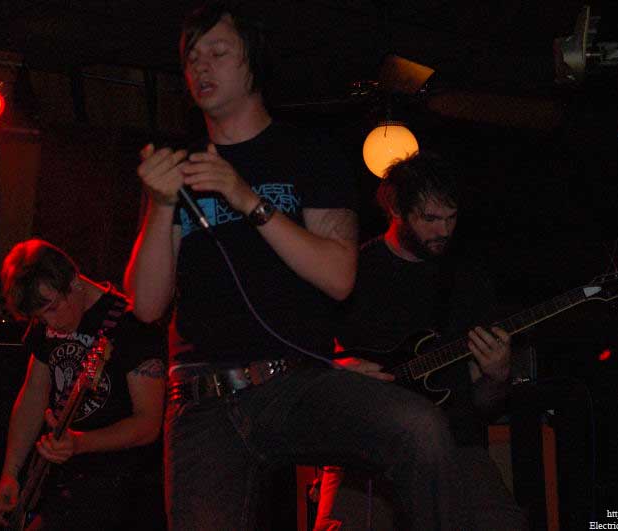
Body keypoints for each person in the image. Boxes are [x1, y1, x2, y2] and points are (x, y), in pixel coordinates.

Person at [124, 1, 481, 529]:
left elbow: (339, 278)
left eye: (217, 52)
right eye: (192, 58)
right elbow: (146, 304)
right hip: (204, 397)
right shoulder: (176, 169)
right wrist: (160, 204)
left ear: (253, 61)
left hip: (294, 384)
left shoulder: (310, 155)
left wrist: (247, 199)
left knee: (418, 427)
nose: (201, 66)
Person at [310, 151, 526, 530]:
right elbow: (309, 360)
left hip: (454, 446)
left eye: (451, 218)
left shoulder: (469, 282)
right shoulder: (352, 272)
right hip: (366, 446)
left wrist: (497, 375)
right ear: (397, 210)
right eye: (430, 218)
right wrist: (339, 369)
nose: (443, 230)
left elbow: (484, 404)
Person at [0, 239, 166, 531]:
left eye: (52, 308)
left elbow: (148, 424)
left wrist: (80, 443)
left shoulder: (131, 324)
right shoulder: (46, 324)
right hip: (60, 484)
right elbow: (33, 396)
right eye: (39, 316)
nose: (49, 323)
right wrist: (10, 473)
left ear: (74, 281)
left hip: (121, 488)